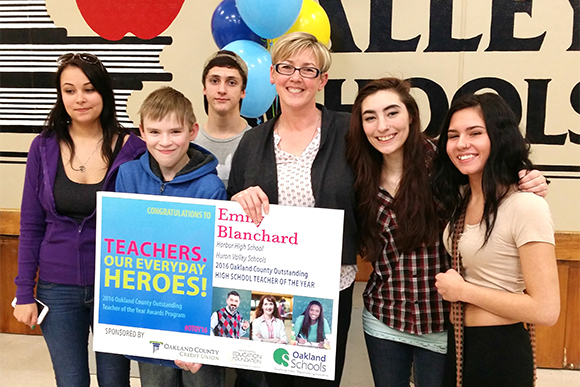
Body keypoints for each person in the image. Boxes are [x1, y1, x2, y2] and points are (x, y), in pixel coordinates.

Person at [345, 78, 550, 387]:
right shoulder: (356, 171)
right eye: (370, 117)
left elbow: (493, 176)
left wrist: (531, 179)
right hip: (384, 317)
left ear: (411, 116)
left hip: (442, 321)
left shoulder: (444, 164)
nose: (382, 126)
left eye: (392, 113)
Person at [228, 31, 357, 387]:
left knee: (317, 383)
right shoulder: (252, 141)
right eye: (286, 67)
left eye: (308, 70)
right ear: (272, 74)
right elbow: (230, 202)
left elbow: (399, 165)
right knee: (261, 382)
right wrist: (239, 200)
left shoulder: (350, 132)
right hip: (265, 289)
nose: (296, 77)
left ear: (322, 80)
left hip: (327, 288)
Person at [13, 52, 146, 387]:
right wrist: (24, 292)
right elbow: (31, 225)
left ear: (104, 92)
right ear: (60, 96)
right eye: (69, 90)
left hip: (117, 286)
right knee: (70, 381)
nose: (80, 99)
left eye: (88, 89)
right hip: (57, 289)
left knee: (116, 380)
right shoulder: (42, 147)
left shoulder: (134, 149)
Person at [433, 93, 560, 387]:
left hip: (500, 352)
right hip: (460, 345)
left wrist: (463, 291)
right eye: (453, 135)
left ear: (499, 138)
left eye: (475, 133)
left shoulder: (526, 205)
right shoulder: (463, 197)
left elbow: (546, 309)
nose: (462, 143)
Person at [115, 86, 226, 387]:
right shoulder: (127, 176)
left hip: (196, 321)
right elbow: (121, 248)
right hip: (150, 316)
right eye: (155, 131)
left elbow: (214, 263)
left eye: (175, 131)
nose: (165, 141)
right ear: (141, 132)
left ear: (192, 131)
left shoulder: (211, 188)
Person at [196, 50, 250, 187]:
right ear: (204, 88)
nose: (222, 90)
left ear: (243, 91)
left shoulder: (258, 143)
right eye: (214, 81)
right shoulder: (189, 143)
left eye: (231, 82)